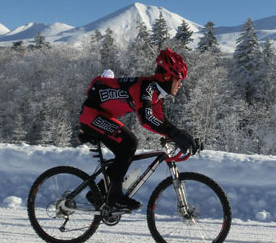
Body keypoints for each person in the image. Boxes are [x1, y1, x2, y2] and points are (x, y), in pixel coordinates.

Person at [73, 48, 198, 210]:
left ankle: (99, 194)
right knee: (129, 143)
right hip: (91, 114)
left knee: (126, 148)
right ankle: (114, 196)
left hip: (101, 114)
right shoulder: (146, 88)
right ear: (167, 77)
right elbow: (146, 119)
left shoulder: (157, 94)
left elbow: (161, 121)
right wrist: (174, 133)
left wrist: (183, 135)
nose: (181, 85)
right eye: (179, 80)